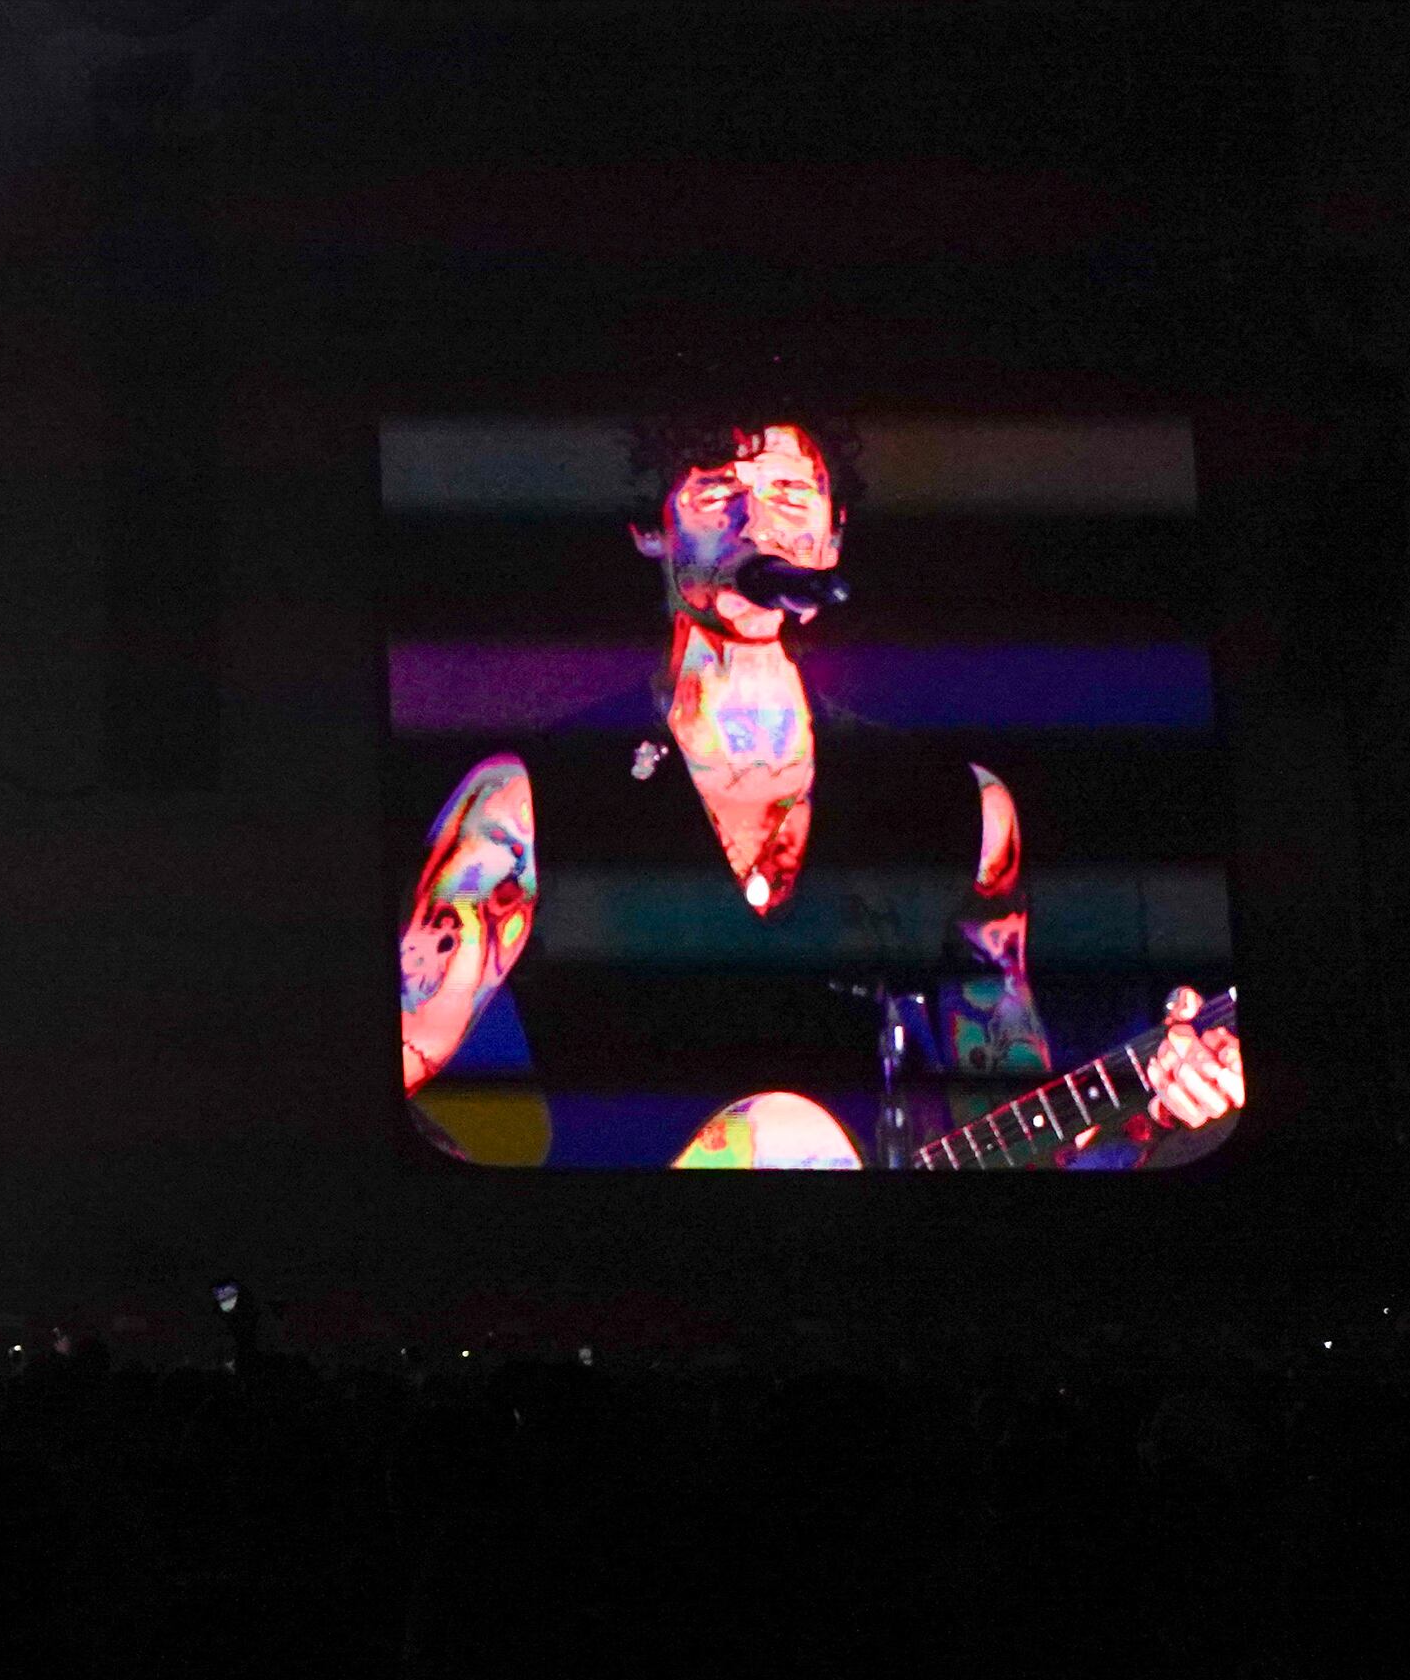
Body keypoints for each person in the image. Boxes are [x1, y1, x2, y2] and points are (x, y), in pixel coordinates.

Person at [396, 413, 1249, 1170]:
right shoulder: (527, 801)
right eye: (716, 488)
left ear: (835, 538)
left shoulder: (957, 808)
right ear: (648, 528)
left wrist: (1153, 1109)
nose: (755, 520)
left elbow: (1010, 1128)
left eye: (791, 493)